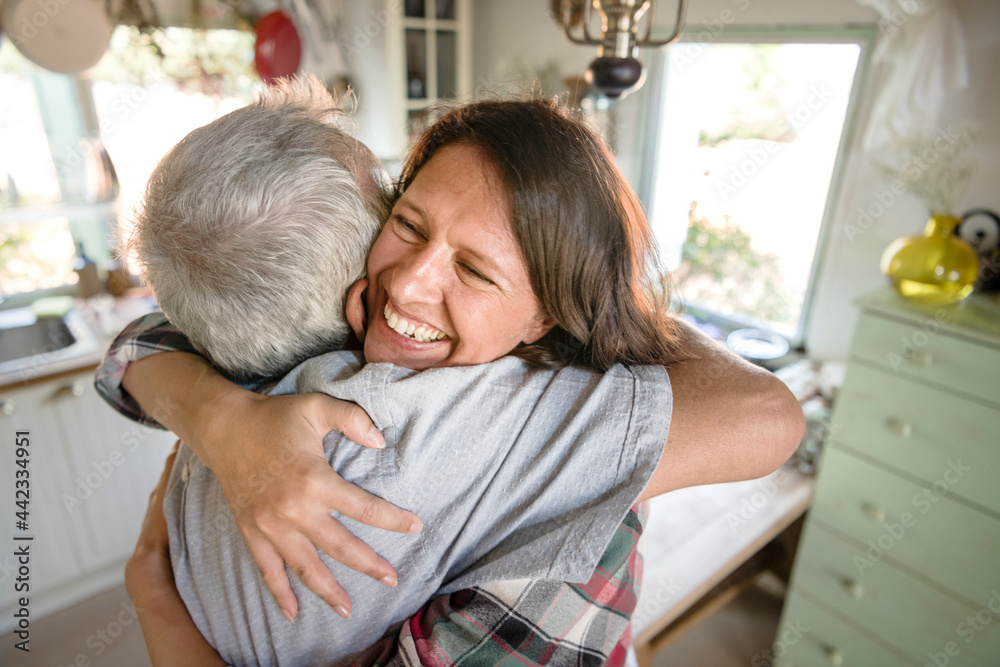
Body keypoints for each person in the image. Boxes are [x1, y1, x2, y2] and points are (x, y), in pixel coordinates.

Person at [107, 94, 804, 665]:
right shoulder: (345, 370)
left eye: (474, 269)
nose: (409, 284)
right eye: (405, 219)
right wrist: (224, 421)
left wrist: (157, 592)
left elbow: (132, 349)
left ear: (546, 315)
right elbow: (133, 346)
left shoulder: (566, 470)